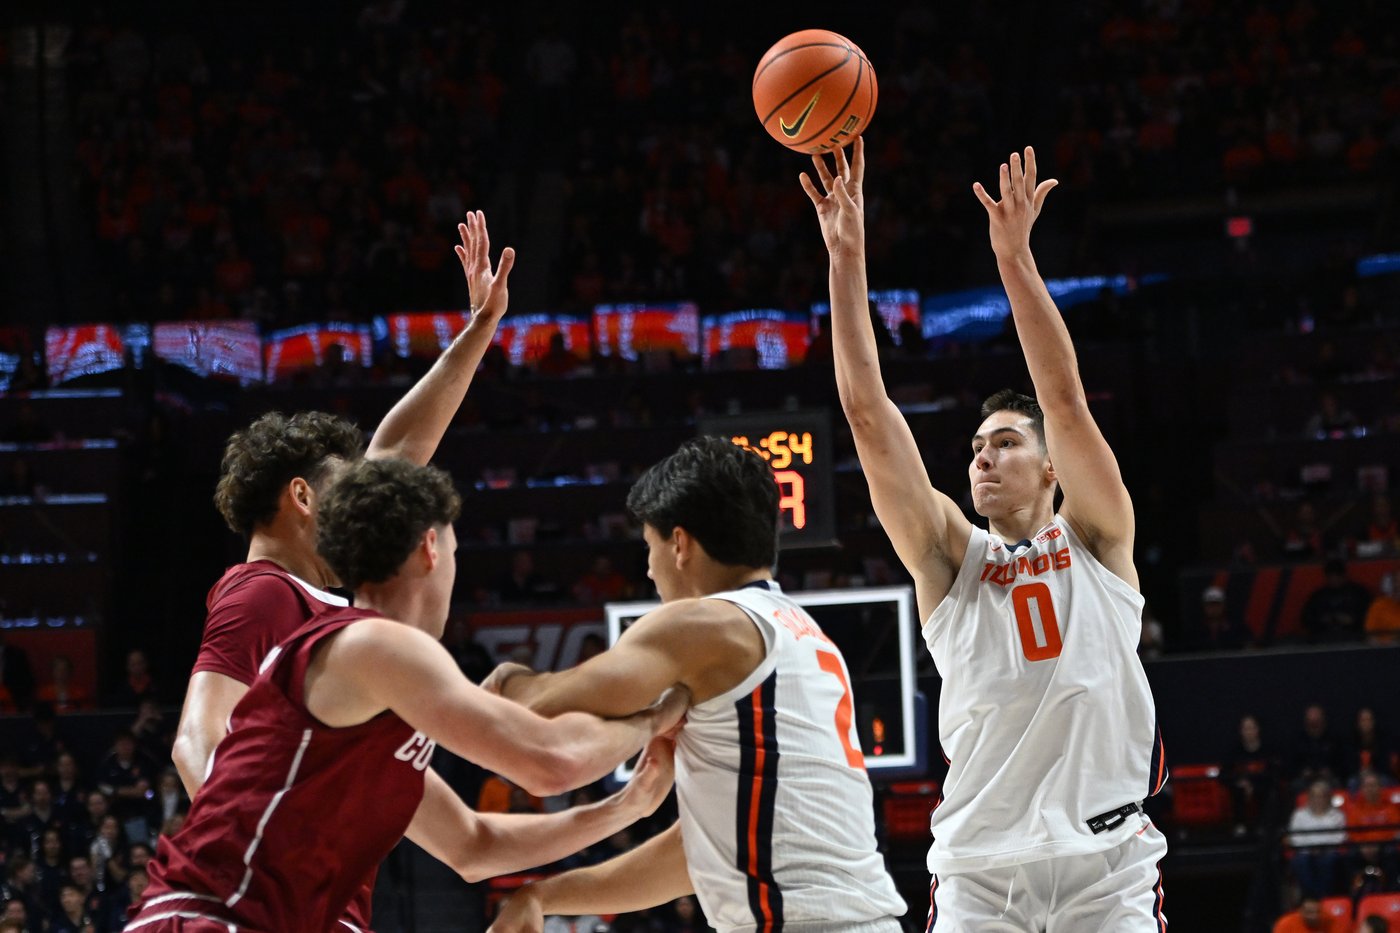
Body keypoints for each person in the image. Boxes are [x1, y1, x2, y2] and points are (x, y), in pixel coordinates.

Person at [799, 138, 1168, 928]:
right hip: (979, 873)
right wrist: (846, 254)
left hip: (1107, 868)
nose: (983, 456)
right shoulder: (948, 558)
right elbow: (866, 414)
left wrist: (1013, 259)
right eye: (974, 448)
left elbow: (1063, 399)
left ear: (1050, 469)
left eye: (1005, 441)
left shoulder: (1100, 541)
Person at [128, 458, 686, 932]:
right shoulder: (371, 642)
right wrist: (656, 716)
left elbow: (473, 846)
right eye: (456, 551)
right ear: (430, 549)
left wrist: (628, 805)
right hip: (218, 915)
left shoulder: (373, 691)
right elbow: (550, 761)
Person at [169, 213, 515, 931]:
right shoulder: (261, 589)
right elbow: (197, 740)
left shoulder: (317, 605)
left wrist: (477, 332)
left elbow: (398, 449)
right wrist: (265, 874)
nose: (367, 497)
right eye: (344, 486)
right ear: (301, 497)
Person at [486, 438, 905, 932]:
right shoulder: (806, 634)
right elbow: (704, 853)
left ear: (679, 544)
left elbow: (536, 708)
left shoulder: (704, 625)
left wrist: (508, 676)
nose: (648, 568)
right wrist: (543, 896)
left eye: (649, 547)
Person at [1287, 780, 1347, 897]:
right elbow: (1295, 837)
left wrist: (1322, 847)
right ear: (1309, 798)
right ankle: (1310, 897)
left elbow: (1339, 837)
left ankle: (1325, 896)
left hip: (1329, 851)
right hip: (1305, 851)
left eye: (1322, 796)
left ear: (1328, 798)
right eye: (1315, 796)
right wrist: (1311, 848)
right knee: (1300, 861)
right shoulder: (1299, 815)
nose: (1318, 800)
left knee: (1329, 860)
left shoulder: (1337, 815)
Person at [1302, 559, 1373, 643]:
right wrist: (1323, 620)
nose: (1334, 579)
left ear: (1344, 575)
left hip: (1353, 637)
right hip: (1323, 638)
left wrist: (1353, 620)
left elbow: (1371, 617)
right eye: (1331, 576)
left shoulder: (1359, 593)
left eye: (1337, 576)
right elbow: (1306, 619)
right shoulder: (1318, 596)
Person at [1273, 896, 1345, 933]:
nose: (1314, 916)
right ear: (1300, 911)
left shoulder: (1331, 921)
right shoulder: (1285, 924)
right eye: (1309, 912)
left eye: (1318, 911)